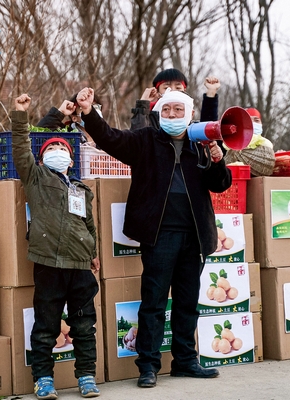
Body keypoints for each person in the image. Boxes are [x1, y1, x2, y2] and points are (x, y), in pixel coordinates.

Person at [76, 87, 231, 388]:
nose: (172, 115)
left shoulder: (200, 144)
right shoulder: (145, 140)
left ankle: (186, 361)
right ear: (159, 112)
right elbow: (110, 138)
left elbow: (220, 185)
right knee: (154, 303)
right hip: (159, 235)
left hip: (194, 235)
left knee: (187, 302)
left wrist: (217, 159)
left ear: (189, 115)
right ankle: (148, 365)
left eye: (178, 110)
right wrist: (87, 112)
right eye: (168, 110)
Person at [12, 94, 101, 399]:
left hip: (79, 267)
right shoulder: (36, 178)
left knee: (84, 325)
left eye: (63, 148)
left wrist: (93, 253)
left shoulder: (81, 190)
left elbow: (89, 225)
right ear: (42, 159)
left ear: (72, 158)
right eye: (52, 149)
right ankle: (43, 379)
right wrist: (20, 114)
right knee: (46, 326)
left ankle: (87, 376)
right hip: (49, 264)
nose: (58, 152)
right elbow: (21, 149)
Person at [130, 68, 220, 130]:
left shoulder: (189, 121)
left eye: (178, 88)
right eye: (166, 88)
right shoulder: (148, 118)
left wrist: (211, 93)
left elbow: (208, 130)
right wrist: (142, 105)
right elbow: (137, 139)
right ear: (157, 92)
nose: (173, 91)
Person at [224, 107, 275, 176]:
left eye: (256, 120)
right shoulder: (232, 144)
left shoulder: (266, 144)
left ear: (261, 123)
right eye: (249, 120)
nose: (253, 123)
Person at [36, 94, 104, 145]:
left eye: (95, 107)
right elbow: (39, 135)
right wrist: (60, 113)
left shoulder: (107, 137)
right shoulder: (66, 136)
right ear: (74, 118)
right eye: (84, 108)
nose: (91, 112)